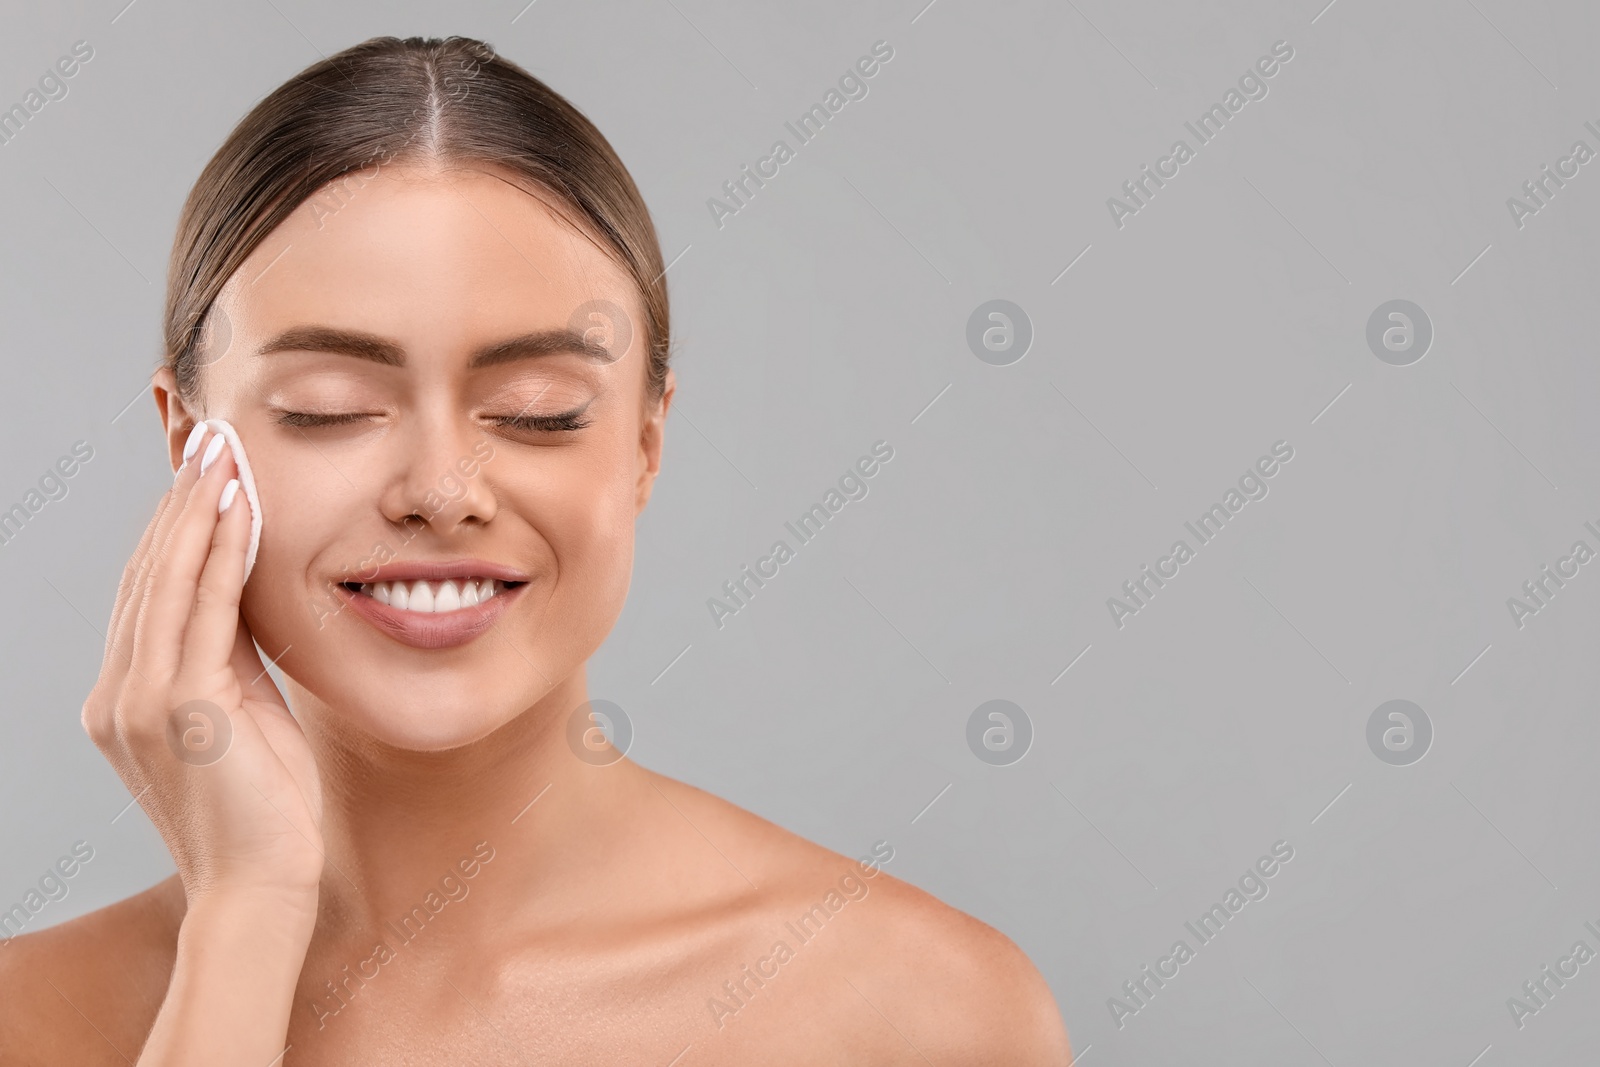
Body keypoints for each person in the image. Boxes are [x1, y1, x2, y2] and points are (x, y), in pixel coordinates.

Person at [0, 35, 1071, 1064]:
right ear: (191, 444)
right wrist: (245, 918)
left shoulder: (921, 1010)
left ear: (644, 445)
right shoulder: (26, 1017)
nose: (439, 490)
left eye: (538, 409)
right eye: (329, 407)